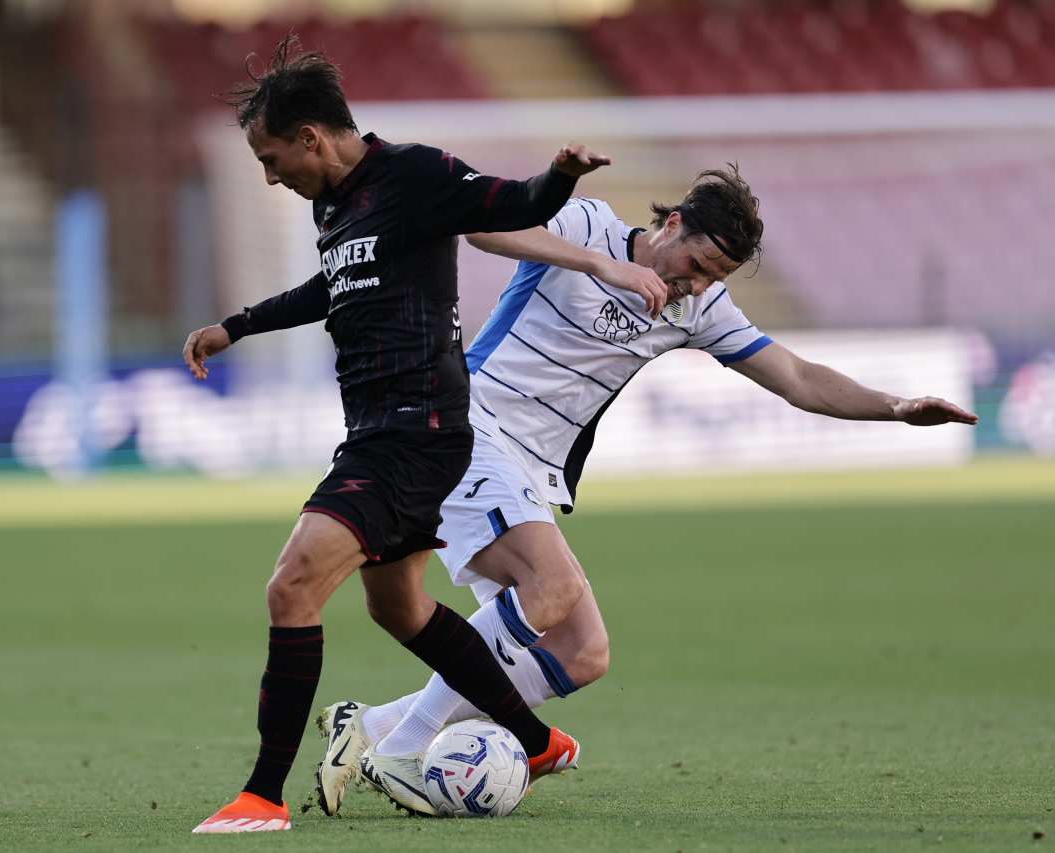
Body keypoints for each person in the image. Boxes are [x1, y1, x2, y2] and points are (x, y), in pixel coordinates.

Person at [317, 165, 978, 815]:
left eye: (714, 277)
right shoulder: (586, 226)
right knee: (552, 587)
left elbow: (798, 378)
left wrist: (895, 407)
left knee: (582, 652)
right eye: (697, 264)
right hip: (467, 427)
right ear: (672, 224)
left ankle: (371, 726)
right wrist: (602, 267)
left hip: (529, 471)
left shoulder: (699, 309)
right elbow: (481, 229)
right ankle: (403, 748)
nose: (697, 284)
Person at [185, 36, 614, 833]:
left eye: (273, 159)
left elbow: (512, 204)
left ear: (311, 137)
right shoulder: (332, 206)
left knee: (292, 584)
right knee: (400, 607)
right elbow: (334, 283)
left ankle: (263, 795)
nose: (271, 176)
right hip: (380, 430)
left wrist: (559, 176)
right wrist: (237, 325)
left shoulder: (417, 176)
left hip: (418, 434)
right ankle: (535, 739)